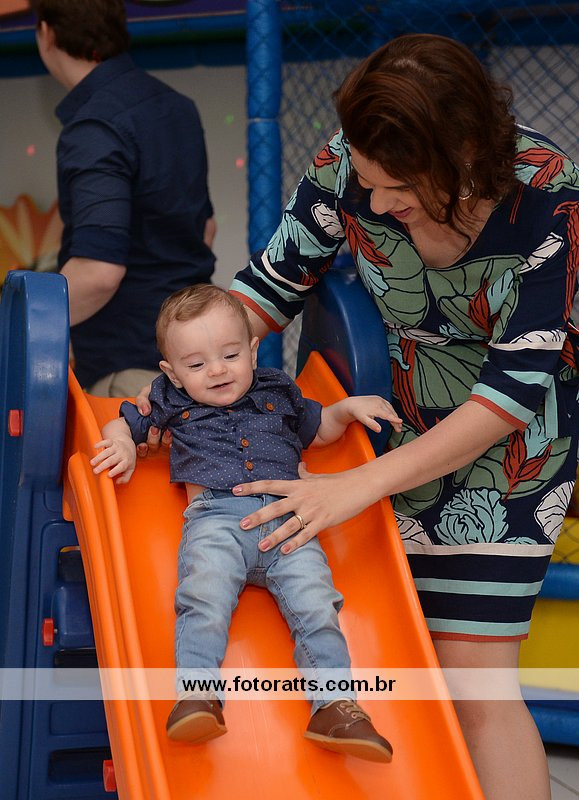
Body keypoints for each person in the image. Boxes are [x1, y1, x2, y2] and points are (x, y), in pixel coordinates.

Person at [217, 34, 577, 800]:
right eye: (366, 183)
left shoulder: (549, 194)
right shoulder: (346, 162)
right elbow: (271, 285)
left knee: (475, 684)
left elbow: (514, 388)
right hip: (396, 419)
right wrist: (187, 363)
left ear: (464, 153)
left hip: (510, 449)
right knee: (386, 661)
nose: (375, 204)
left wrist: (359, 486)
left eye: (398, 188)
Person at [91, 284, 401, 762]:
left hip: (290, 521)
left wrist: (345, 409)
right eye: (196, 364)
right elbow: (122, 421)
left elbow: (317, 429)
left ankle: (335, 707)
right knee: (203, 597)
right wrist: (122, 443)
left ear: (253, 351)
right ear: (172, 373)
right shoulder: (169, 400)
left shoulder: (277, 389)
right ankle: (198, 696)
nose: (217, 370)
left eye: (231, 355)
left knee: (318, 605)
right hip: (216, 520)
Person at [31, 0, 217, 397]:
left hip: (130, 372)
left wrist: (22, 324)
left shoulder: (94, 125)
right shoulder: (177, 106)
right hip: (195, 357)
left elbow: (99, 271)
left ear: (47, 33)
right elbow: (206, 229)